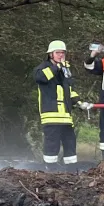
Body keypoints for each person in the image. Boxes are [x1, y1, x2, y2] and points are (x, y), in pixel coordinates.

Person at [33, 40, 82, 172]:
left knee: (70, 144)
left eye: (63, 52)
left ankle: (72, 172)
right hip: (51, 115)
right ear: (50, 54)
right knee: (52, 145)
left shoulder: (65, 70)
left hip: (66, 116)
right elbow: (41, 78)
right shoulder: (43, 67)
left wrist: (79, 102)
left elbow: (69, 89)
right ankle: (50, 171)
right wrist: (58, 67)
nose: (61, 55)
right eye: (58, 53)